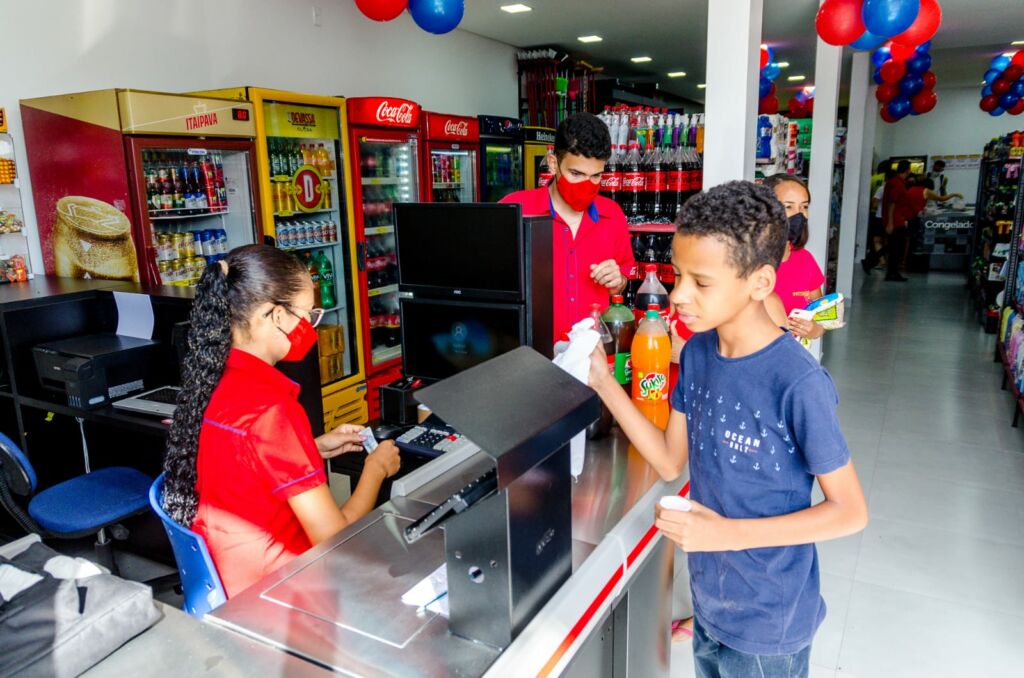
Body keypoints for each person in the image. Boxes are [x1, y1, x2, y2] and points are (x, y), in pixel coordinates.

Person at [587, 181, 868, 678]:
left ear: (760, 283)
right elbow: (671, 461)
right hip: (711, 600)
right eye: (678, 276)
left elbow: (850, 512)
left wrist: (724, 534)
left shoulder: (798, 382)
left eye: (701, 282)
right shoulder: (696, 353)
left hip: (769, 621)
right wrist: (606, 384)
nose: (678, 295)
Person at [162, 245, 401, 598]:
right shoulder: (273, 410)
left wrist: (313, 448)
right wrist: (375, 470)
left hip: (225, 574)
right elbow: (333, 537)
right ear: (274, 315)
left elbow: (242, 462)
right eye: (307, 315)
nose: (310, 326)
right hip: (278, 589)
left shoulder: (210, 380)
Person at [501, 113, 635, 340]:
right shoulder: (516, 209)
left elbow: (622, 282)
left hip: (592, 355)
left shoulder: (612, 215)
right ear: (554, 164)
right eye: (576, 173)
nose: (587, 184)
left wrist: (618, 281)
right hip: (528, 355)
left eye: (596, 176)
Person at [762, 175, 825, 341]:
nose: (799, 215)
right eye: (788, 207)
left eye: (804, 207)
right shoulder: (744, 262)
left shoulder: (805, 260)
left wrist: (813, 329)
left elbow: (821, 320)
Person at [882, 159, 912, 282]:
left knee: (894, 247)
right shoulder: (896, 183)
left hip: (897, 219)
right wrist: (890, 222)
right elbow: (892, 203)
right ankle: (892, 272)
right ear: (908, 169)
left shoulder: (896, 182)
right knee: (896, 248)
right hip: (895, 220)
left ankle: (892, 272)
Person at [861, 166, 894, 274]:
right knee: (888, 241)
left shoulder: (882, 189)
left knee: (877, 240)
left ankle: (881, 261)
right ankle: (888, 262)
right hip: (893, 219)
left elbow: (874, 203)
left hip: (880, 217)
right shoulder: (897, 189)